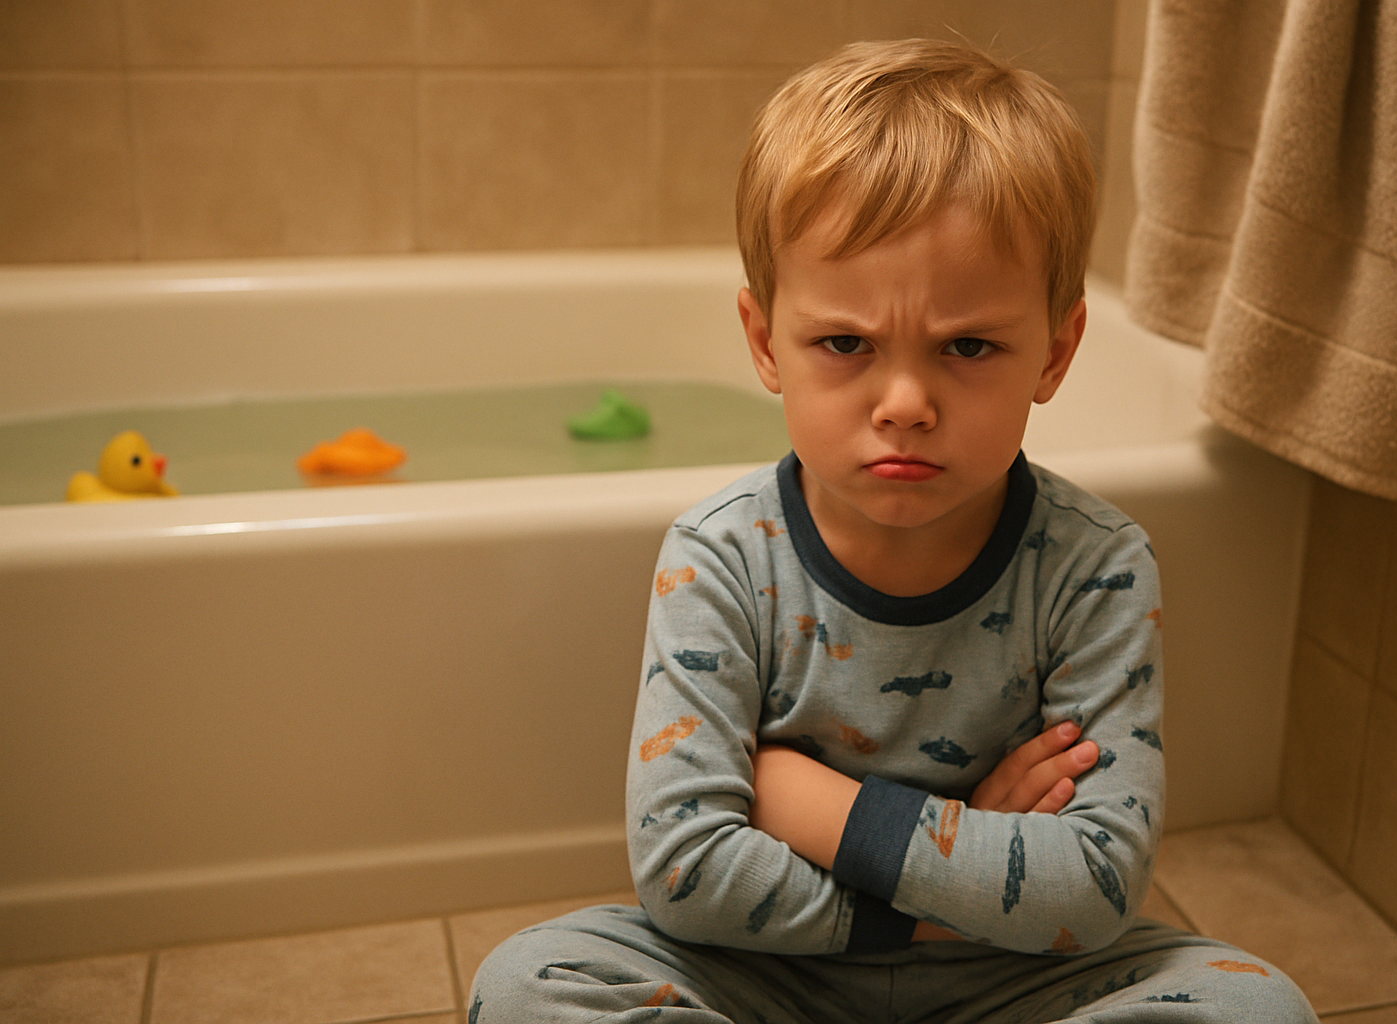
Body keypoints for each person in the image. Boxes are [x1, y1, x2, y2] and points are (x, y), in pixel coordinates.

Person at [469, 38, 1318, 1023]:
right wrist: (962, 862)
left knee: (1259, 1009)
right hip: (775, 972)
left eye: (969, 345)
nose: (906, 402)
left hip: (1007, 981)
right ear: (765, 342)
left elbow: (1092, 889)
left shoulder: (1095, 567)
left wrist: (798, 799)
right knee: (527, 982)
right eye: (846, 342)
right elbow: (686, 870)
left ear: (1055, 351)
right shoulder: (723, 559)